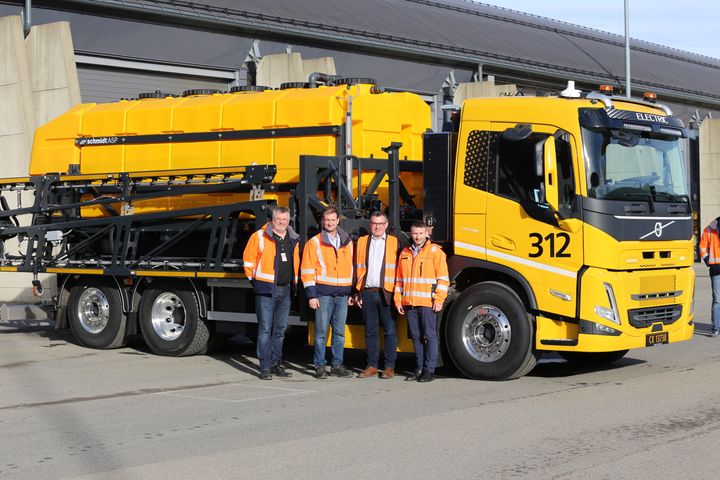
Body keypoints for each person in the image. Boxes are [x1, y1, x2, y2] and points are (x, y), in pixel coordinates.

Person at [243, 206, 300, 380]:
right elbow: (248, 261)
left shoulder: (293, 238)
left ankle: (276, 364)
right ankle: (265, 367)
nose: (281, 222)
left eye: (284, 219)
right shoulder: (259, 236)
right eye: (278, 219)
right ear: (272, 220)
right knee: (265, 330)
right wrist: (257, 282)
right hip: (266, 290)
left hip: (286, 290)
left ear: (288, 221)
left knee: (280, 330)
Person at [301, 206, 354, 379]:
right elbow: (307, 270)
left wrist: (352, 292)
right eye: (327, 220)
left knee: (339, 332)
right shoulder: (314, 242)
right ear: (323, 221)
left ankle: (337, 365)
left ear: (338, 221)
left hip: (342, 294)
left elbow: (352, 269)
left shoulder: (347, 241)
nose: (330, 223)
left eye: (333, 220)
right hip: (323, 294)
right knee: (321, 332)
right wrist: (312, 295)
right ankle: (320, 365)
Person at [394, 221, 449, 382]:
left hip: (427, 303)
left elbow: (443, 279)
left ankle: (429, 370)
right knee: (416, 337)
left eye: (420, 233)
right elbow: (399, 280)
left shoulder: (435, 252)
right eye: (414, 233)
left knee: (429, 336)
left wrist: (439, 299)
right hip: (410, 303)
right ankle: (419, 368)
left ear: (427, 234)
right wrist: (398, 301)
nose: (417, 237)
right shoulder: (405, 252)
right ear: (411, 234)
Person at [354, 211, 401, 379]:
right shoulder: (361, 242)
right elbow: (356, 267)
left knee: (390, 331)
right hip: (367, 292)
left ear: (386, 225)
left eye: (380, 224)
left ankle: (389, 367)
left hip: (386, 293)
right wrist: (357, 291)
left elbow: (401, 270)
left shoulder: (395, 243)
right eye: (374, 223)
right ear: (370, 225)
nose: (377, 227)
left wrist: (398, 294)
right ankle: (372, 365)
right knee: (370, 331)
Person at [699, 217, 720, 336]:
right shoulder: (709, 229)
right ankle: (715, 327)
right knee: (717, 300)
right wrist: (708, 261)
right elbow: (702, 247)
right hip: (716, 270)